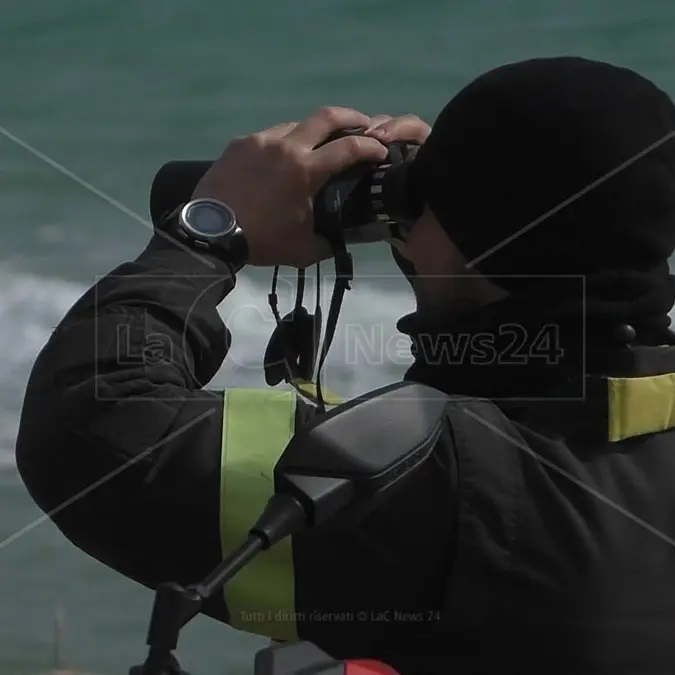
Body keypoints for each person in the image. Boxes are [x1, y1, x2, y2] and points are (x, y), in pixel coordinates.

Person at [15, 56, 675, 675]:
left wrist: (205, 233)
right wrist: (452, 242)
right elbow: (510, 385)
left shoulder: (444, 503)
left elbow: (90, 424)